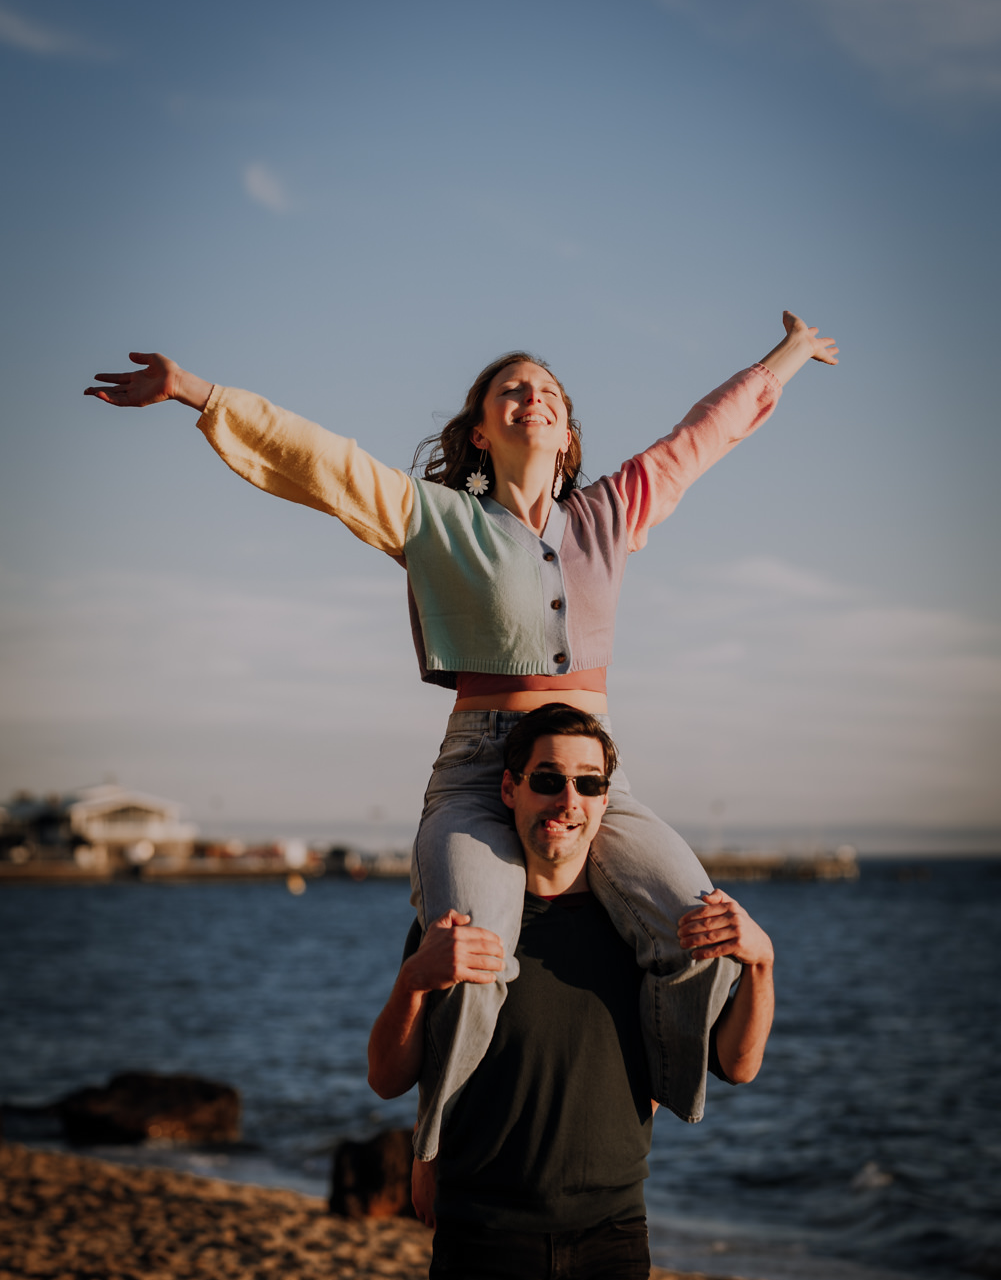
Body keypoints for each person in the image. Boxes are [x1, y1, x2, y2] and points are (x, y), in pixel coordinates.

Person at [85, 310, 833, 1156]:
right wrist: (194, 390)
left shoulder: (611, 512)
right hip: (482, 771)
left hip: (594, 776)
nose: (533, 396)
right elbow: (320, 462)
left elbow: (705, 433)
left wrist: (791, 353)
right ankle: (443, 1149)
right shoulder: (433, 517)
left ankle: (647, 1099)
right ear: (480, 429)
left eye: (548, 391)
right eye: (510, 389)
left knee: (700, 926)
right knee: (472, 951)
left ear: (568, 435)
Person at [367, 703, 776, 1280]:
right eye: (548, 780)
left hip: (611, 1239)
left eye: (588, 786)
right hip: (483, 1233)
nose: (568, 802)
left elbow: (735, 1067)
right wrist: (413, 981)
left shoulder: (639, 934)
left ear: (606, 801)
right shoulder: (460, 923)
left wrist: (762, 964)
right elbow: (387, 1076)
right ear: (509, 789)